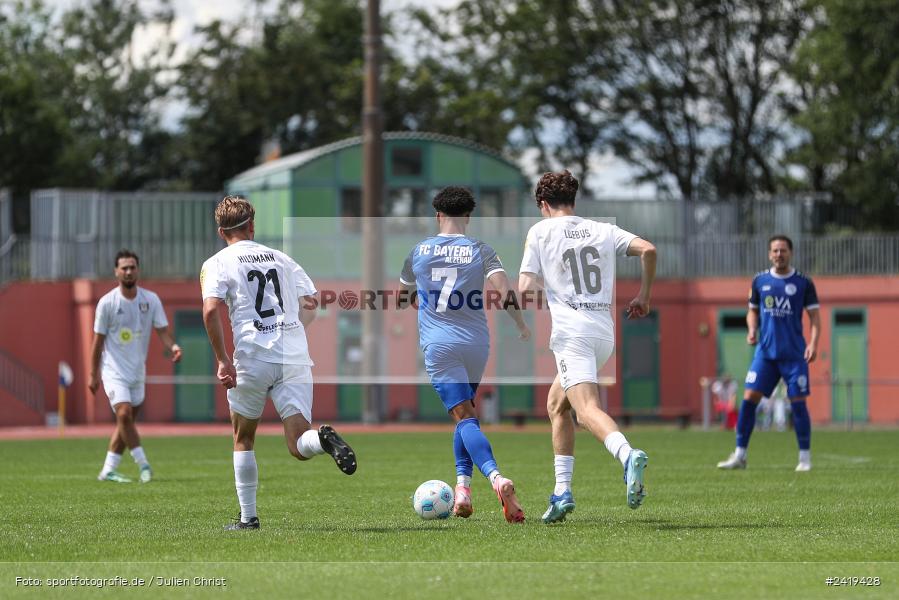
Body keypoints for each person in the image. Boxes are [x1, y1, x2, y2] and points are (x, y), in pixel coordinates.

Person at [201, 195, 356, 531]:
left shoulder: (217, 262)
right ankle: (322, 440)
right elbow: (312, 304)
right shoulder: (283, 259)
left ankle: (248, 518)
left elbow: (211, 310)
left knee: (243, 437)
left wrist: (223, 360)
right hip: (294, 357)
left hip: (253, 357)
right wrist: (291, 330)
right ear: (252, 226)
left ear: (220, 231)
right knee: (299, 445)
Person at [518, 170, 657, 524]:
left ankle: (627, 455)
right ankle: (562, 492)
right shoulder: (602, 229)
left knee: (586, 410)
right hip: (603, 336)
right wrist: (643, 296)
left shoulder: (540, 231)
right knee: (556, 405)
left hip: (572, 336)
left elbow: (525, 289)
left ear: (543, 205)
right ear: (574, 201)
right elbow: (648, 250)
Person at [398, 186, 531, 523]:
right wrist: (520, 324)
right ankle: (462, 490)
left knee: (465, 418)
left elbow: (401, 298)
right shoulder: (481, 250)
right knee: (466, 415)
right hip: (476, 344)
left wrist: (422, 301)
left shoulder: (418, 251)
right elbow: (505, 292)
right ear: (468, 216)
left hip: (440, 345)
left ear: (437, 215)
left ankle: (497, 479)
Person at [717, 235, 820, 472]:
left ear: (790, 253)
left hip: (794, 355)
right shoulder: (759, 281)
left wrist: (813, 344)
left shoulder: (803, 283)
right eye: (775, 250)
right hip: (765, 354)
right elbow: (752, 311)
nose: (779, 254)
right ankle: (740, 455)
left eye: (783, 250)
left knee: (798, 404)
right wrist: (752, 329)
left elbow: (815, 318)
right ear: (769, 254)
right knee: (748, 400)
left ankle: (804, 459)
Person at [90, 249, 183, 483]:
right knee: (123, 414)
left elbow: (163, 332)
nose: (129, 271)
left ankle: (107, 470)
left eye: (132, 267)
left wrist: (173, 347)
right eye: (124, 268)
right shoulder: (107, 303)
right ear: (116, 272)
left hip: (137, 373)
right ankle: (143, 464)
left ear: (137, 270)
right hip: (113, 371)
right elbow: (97, 342)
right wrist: (93, 374)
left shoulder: (150, 300)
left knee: (126, 422)